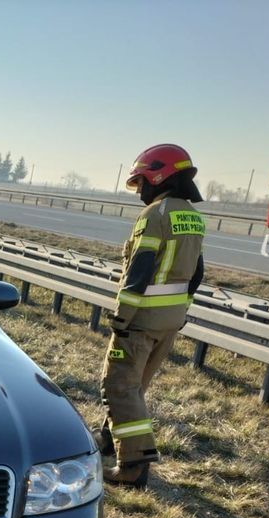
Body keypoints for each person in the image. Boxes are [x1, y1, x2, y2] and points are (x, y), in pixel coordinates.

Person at [95, 143, 205, 488]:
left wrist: (122, 317)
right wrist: (179, 309)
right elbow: (197, 274)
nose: (140, 190)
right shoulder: (191, 216)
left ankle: (133, 467)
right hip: (170, 321)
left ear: (159, 176)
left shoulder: (153, 216)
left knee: (118, 386)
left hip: (141, 319)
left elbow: (138, 271)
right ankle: (108, 440)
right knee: (134, 387)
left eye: (142, 182)